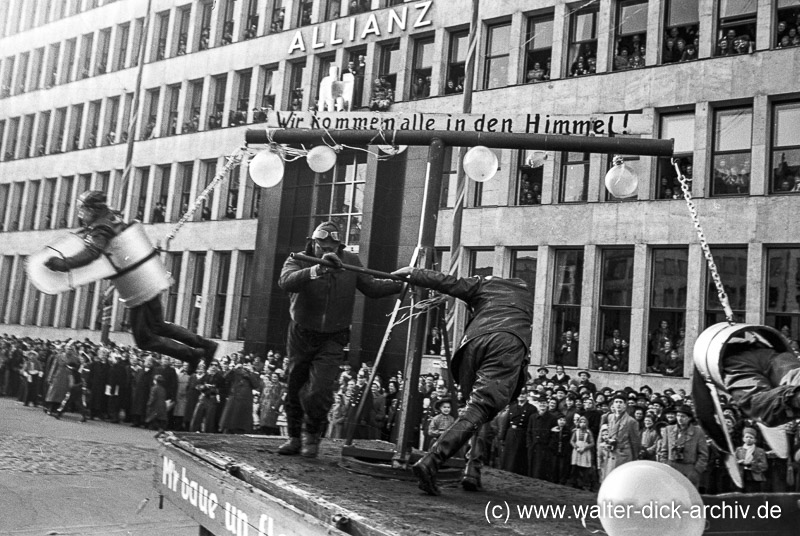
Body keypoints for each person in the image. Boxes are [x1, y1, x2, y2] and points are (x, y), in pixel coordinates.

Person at [391, 265, 533, 496]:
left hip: (473, 344)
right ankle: (432, 462)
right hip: (506, 343)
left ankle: (472, 471)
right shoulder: (523, 297)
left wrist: (414, 272)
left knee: (475, 411)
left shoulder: (484, 285)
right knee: (479, 410)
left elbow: (449, 282)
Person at [43, 191, 218, 374]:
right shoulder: (111, 218)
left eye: (83, 210)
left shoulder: (101, 228)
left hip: (136, 282)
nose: (81, 214)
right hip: (146, 274)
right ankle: (205, 346)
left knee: (144, 339)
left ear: (93, 210)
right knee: (158, 326)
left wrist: (65, 264)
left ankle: (193, 354)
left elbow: (92, 253)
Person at [277, 221, 402, 457]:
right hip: (301, 333)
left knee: (319, 390)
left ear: (339, 246)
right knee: (295, 386)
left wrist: (400, 284)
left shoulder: (351, 262)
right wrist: (318, 269)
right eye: (321, 246)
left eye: (331, 247)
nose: (326, 250)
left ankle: (312, 436)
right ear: (313, 243)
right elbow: (286, 282)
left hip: (333, 336)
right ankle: (294, 437)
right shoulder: (299, 259)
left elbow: (372, 287)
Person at [658, 405, 708, 488]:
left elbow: (703, 454)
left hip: (689, 468)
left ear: (689, 418)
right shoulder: (668, 429)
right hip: (671, 466)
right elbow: (663, 450)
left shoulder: (698, 432)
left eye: (683, 416)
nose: (680, 418)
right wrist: (665, 465)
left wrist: (696, 470)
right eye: (678, 416)